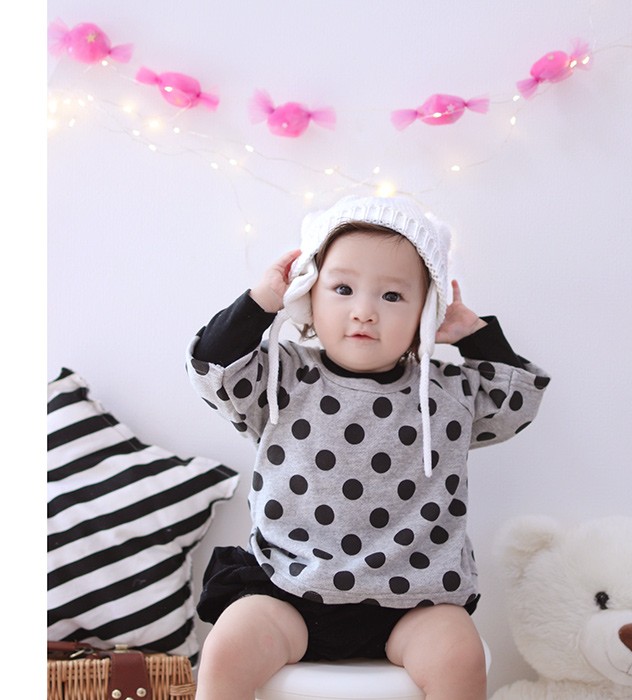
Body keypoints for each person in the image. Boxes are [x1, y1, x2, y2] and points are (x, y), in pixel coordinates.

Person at [186, 195, 550, 699]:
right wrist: (260, 301)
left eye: (393, 296)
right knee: (227, 647)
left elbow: (516, 403)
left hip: (413, 601)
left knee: (459, 654)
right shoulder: (280, 376)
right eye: (342, 289)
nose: (364, 312)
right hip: (288, 589)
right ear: (309, 295)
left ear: (426, 312)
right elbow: (212, 368)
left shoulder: (446, 392)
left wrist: (471, 334)